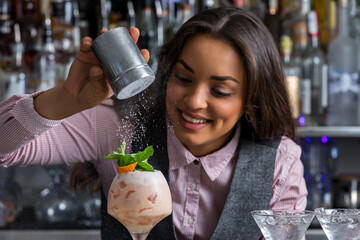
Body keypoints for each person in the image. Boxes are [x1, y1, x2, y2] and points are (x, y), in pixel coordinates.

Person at [0, 7, 307, 240]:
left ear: (251, 98)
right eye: (183, 78)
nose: (195, 101)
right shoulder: (121, 127)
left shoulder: (278, 164)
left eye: (220, 91)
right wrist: (68, 99)